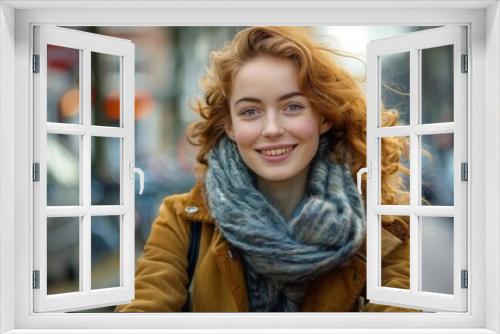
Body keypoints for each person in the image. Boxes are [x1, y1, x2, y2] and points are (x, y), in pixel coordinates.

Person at [115, 26, 411, 313]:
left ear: (323, 117)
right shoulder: (180, 223)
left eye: (292, 106)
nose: (271, 129)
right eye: (250, 112)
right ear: (230, 126)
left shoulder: (381, 232)